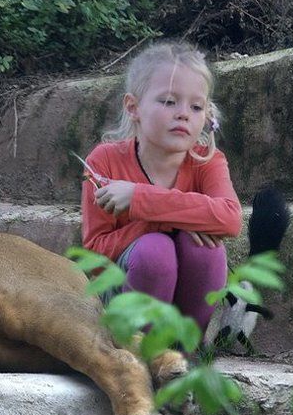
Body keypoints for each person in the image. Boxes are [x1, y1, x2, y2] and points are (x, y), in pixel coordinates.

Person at [81, 41, 242, 333]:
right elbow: (94, 256)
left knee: (205, 249)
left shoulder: (208, 160)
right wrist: (164, 224)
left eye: (196, 106)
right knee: (155, 251)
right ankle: (140, 353)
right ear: (133, 107)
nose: (183, 114)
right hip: (120, 300)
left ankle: (185, 353)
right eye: (169, 102)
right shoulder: (103, 161)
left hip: (183, 311)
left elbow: (230, 218)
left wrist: (139, 198)